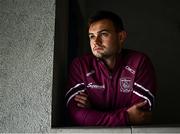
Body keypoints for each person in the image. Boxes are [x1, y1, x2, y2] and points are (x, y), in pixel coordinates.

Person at [65, 10, 157, 126]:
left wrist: (93, 112)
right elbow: (77, 115)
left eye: (103, 34)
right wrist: (126, 116)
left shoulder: (139, 62)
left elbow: (141, 114)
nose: (96, 42)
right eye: (92, 36)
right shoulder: (80, 65)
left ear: (121, 37)